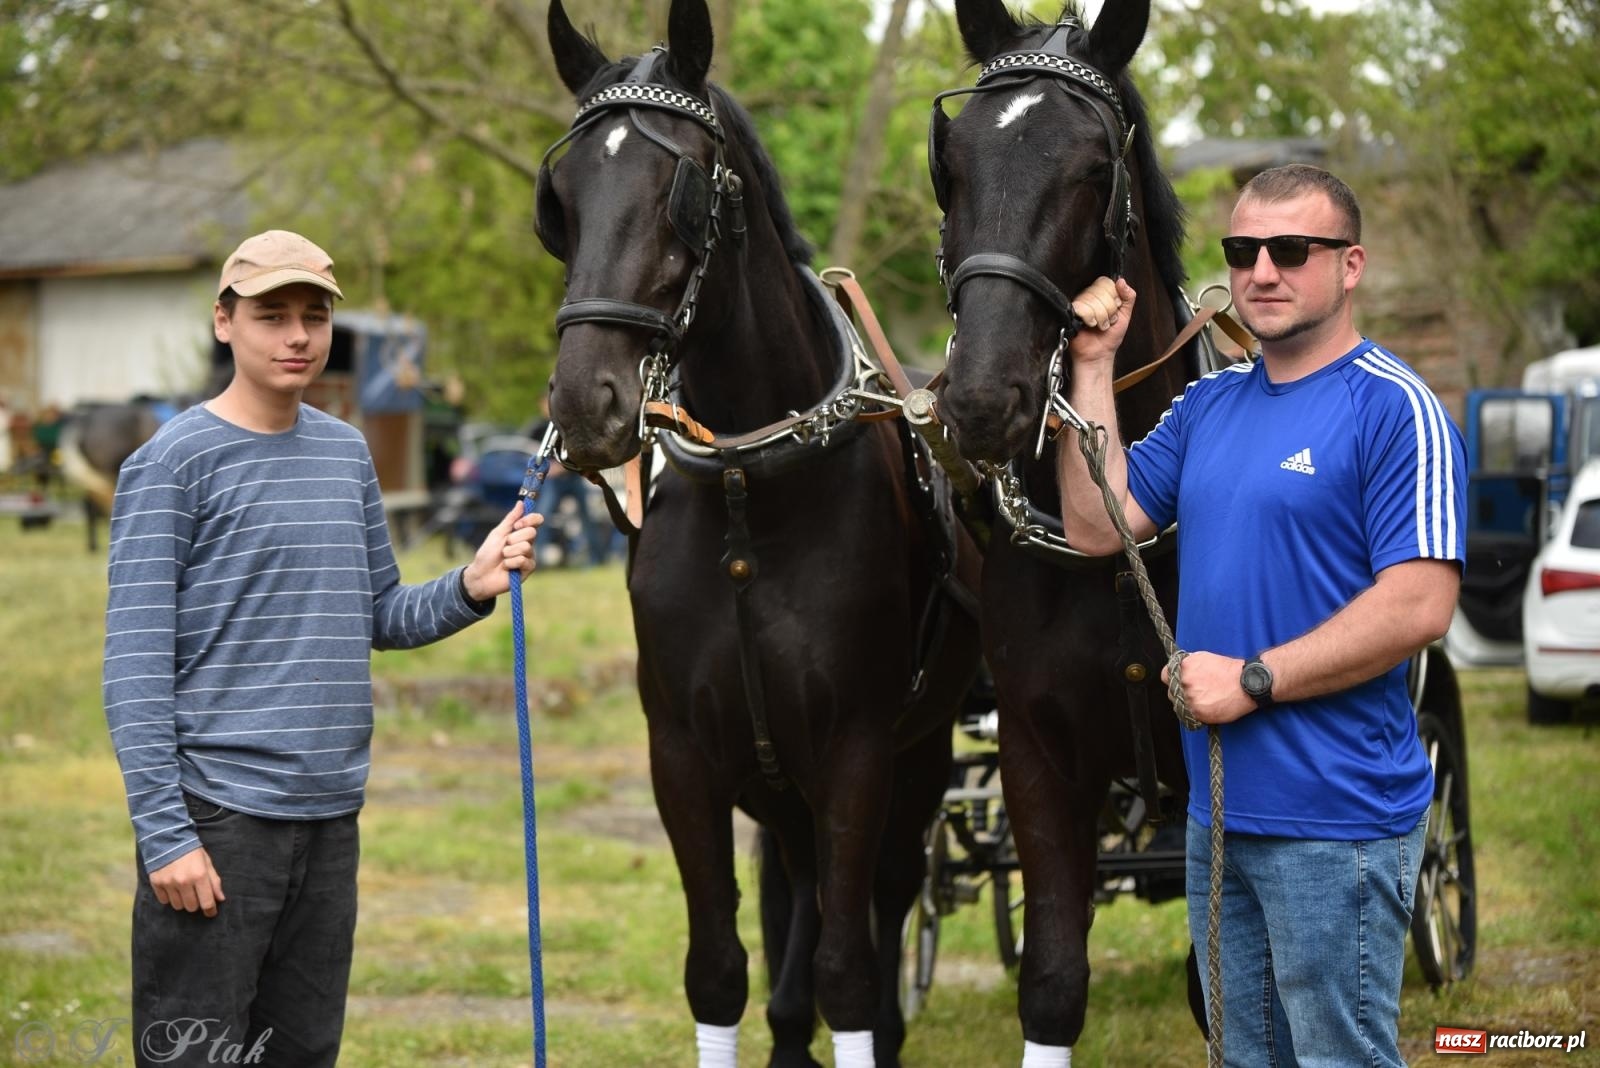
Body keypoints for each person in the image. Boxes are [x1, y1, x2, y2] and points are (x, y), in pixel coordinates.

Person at [103, 230, 543, 1067]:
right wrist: (166, 835)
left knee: (303, 1054)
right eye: (272, 316)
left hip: (331, 819)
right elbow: (133, 668)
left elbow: (378, 612)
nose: (299, 336)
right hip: (218, 821)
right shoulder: (172, 465)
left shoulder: (346, 453)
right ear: (224, 322)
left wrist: (470, 584)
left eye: (315, 315)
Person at [1056, 165, 1465, 1066]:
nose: (1262, 271)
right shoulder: (1208, 403)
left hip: (1337, 823)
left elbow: (1420, 604)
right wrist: (1091, 366)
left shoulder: (1395, 409)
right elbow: (1096, 524)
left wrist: (1253, 679)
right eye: (1243, 251)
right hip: (1219, 818)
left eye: (1291, 249)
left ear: (1350, 265)